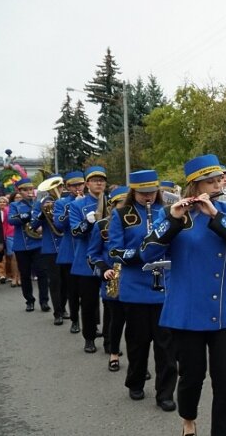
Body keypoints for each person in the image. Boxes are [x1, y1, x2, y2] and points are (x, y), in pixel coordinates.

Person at [140, 154, 226, 436]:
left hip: (225, 309)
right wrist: (174, 220)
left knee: (225, 382)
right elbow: (147, 251)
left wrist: (214, 216)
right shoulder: (174, 216)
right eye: (210, 182)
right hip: (187, 311)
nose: (218, 186)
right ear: (194, 186)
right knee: (192, 377)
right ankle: (188, 418)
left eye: (219, 180)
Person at [109, 170, 178, 410]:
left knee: (166, 345)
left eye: (152, 192)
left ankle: (165, 393)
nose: (148, 197)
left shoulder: (168, 211)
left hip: (165, 286)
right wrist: (140, 254)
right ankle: (135, 382)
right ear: (133, 192)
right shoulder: (121, 214)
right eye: (142, 193)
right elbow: (114, 251)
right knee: (138, 343)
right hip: (135, 286)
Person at [87, 186, 128, 372]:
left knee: (137, 324)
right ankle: (113, 353)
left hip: (134, 278)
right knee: (116, 320)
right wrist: (103, 269)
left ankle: (138, 362)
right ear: (113, 206)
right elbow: (93, 254)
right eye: (122, 204)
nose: (126, 208)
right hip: (112, 277)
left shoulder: (137, 223)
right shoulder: (102, 225)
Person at [69, 166, 108, 353]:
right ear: (87, 184)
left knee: (112, 302)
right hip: (87, 259)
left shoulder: (113, 203)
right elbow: (75, 232)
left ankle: (110, 340)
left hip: (108, 258)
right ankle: (89, 338)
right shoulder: (77, 205)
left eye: (102, 180)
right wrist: (88, 222)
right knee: (89, 302)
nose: (99, 183)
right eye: (95, 180)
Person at [8, 178, 49, 312]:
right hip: (22, 245)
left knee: (42, 273)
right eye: (25, 190)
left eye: (31, 189)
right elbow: (11, 220)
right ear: (19, 191)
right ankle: (29, 301)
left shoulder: (39, 204)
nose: (29, 192)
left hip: (38, 243)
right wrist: (28, 215)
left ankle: (44, 301)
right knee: (25, 275)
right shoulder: (15, 205)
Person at [53, 171, 86, 332]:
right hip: (69, 252)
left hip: (87, 250)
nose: (78, 188)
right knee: (72, 291)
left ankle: (92, 324)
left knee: (90, 292)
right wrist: (74, 208)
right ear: (68, 187)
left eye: (80, 184)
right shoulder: (61, 203)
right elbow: (59, 225)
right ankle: (75, 320)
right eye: (74, 185)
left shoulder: (92, 201)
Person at [31, 174, 64, 325]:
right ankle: (58, 312)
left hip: (66, 247)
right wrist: (42, 214)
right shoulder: (41, 203)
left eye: (60, 186)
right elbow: (33, 225)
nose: (58, 189)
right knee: (55, 281)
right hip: (50, 248)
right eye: (56, 187)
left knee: (67, 282)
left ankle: (63, 307)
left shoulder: (65, 202)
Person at [0, 196, 18, 286]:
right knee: (0, 256)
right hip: (0, 236)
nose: (2, 203)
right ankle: (1, 274)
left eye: (4, 202)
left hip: (8, 234)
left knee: (11, 256)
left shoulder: (8, 210)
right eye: (0, 202)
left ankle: (11, 275)